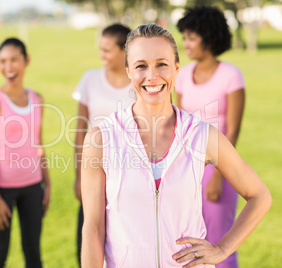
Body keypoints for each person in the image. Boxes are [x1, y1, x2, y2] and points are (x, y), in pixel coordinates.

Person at [81, 24, 271, 268]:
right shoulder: (101, 139)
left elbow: (259, 196)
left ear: (176, 67)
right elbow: (93, 229)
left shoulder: (202, 135)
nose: (152, 75)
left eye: (162, 64)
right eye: (141, 66)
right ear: (128, 71)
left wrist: (222, 248)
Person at [176, 6, 245, 268]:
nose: (186, 44)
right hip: (186, 168)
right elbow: (178, 123)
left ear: (209, 37)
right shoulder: (182, 76)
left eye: (192, 37)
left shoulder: (231, 76)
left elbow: (233, 129)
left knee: (219, 246)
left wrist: (218, 175)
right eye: (185, 37)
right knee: (187, 244)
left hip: (220, 168)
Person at [0, 37, 51, 268]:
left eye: (14, 60)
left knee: (33, 255)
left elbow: (38, 145)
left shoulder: (37, 99)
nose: (8, 67)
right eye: (2, 61)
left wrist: (46, 184)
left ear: (26, 60)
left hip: (32, 188)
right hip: (2, 191)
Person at [72, 23, 134, 265]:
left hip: (129, 174)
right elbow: (80, 129)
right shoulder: (90, 78)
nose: (102, 56)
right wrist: (79, 174)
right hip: (94, 173)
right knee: (89, 238)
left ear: (124, 51)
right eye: (101, 49)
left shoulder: (138, 83)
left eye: (107, 50)